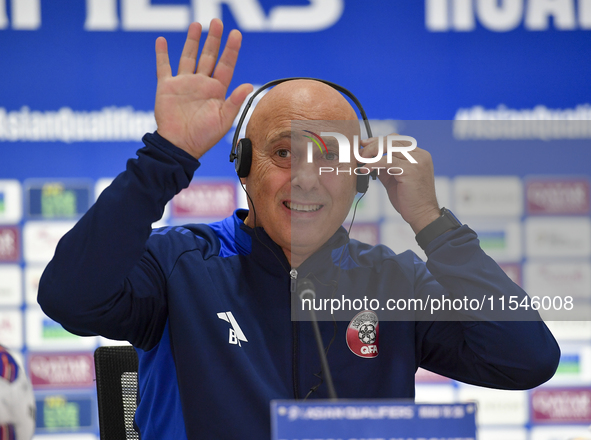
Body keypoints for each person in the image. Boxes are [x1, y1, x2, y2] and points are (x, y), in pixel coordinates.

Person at [38, 19, 560, 439]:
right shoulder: (179, 263)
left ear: (360, 179)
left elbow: (526, 360)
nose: (307, 179)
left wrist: (432, 222)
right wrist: (166, 158)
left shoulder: (396, 283)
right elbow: (69, 298)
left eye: (330, 157)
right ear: (244, 168)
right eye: (284, 153)